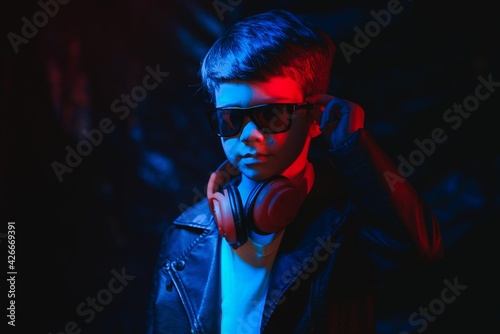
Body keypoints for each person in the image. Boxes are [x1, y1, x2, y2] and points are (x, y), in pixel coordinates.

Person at [147, 9, 443, 334]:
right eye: (230, 119)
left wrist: (353, 147)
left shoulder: (349, 225)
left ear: (315, 117)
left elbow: (417, 255)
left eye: (272, 115)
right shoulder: (186, 236)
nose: (249, 136)